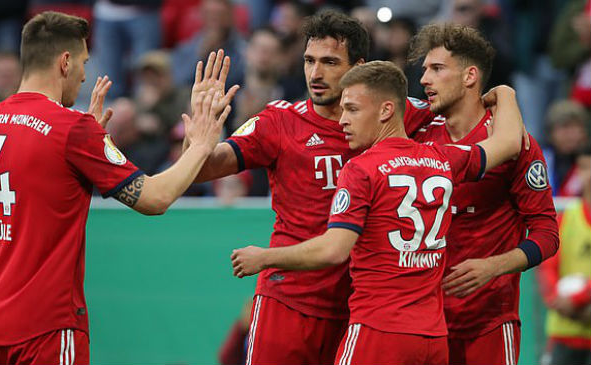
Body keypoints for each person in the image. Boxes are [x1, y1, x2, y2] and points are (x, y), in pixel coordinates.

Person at [0, 11, 232, 365]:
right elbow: (155, 198)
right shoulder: (71, 129)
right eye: (83, 62)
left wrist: (85, 145)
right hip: (46, 325)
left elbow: (39, 182)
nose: (83, 75)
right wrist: (200, 144)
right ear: (64, 62)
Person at [230, 61, 524, 364]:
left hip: (377, 333)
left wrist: (265, 258)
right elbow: (509, 142)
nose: (342, 120)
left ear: (385, 111)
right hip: (433, 339)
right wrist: (506, 94)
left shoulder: (360, 169)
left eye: (353, 110)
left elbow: (334, 250)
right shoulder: (443, 158)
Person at [186, 10, 433, 365]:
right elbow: (198, 170)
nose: (315, 74)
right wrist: (200, 130)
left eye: (330, 62)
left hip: (358, 310)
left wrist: (501, 96)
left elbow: (465, 113)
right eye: (309, 61)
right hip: (288, 303)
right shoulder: (280, 122)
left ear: (359, 66)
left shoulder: (393, 115)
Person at [407, 23, 560, 365]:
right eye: (424, 70)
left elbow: (547, 234)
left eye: (437, 69)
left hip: (488, 322)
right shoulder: (416, 135)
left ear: (470, 76)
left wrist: (494, 266)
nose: (424, 80)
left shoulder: (516, 143)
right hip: (425, 323)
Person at [538, 144, 591, 365]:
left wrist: (579, 298)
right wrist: (555, 300)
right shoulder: (566, 219)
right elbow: (548, 265)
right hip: (564, 334)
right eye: (584, 167)